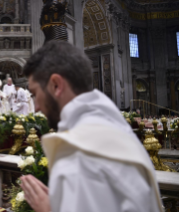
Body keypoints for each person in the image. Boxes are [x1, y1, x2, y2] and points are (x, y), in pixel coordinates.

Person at [20, 41, 162, 212]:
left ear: (56, 85)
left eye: (35, 94)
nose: (35, 107)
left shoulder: (78, 154)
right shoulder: (113, 128)